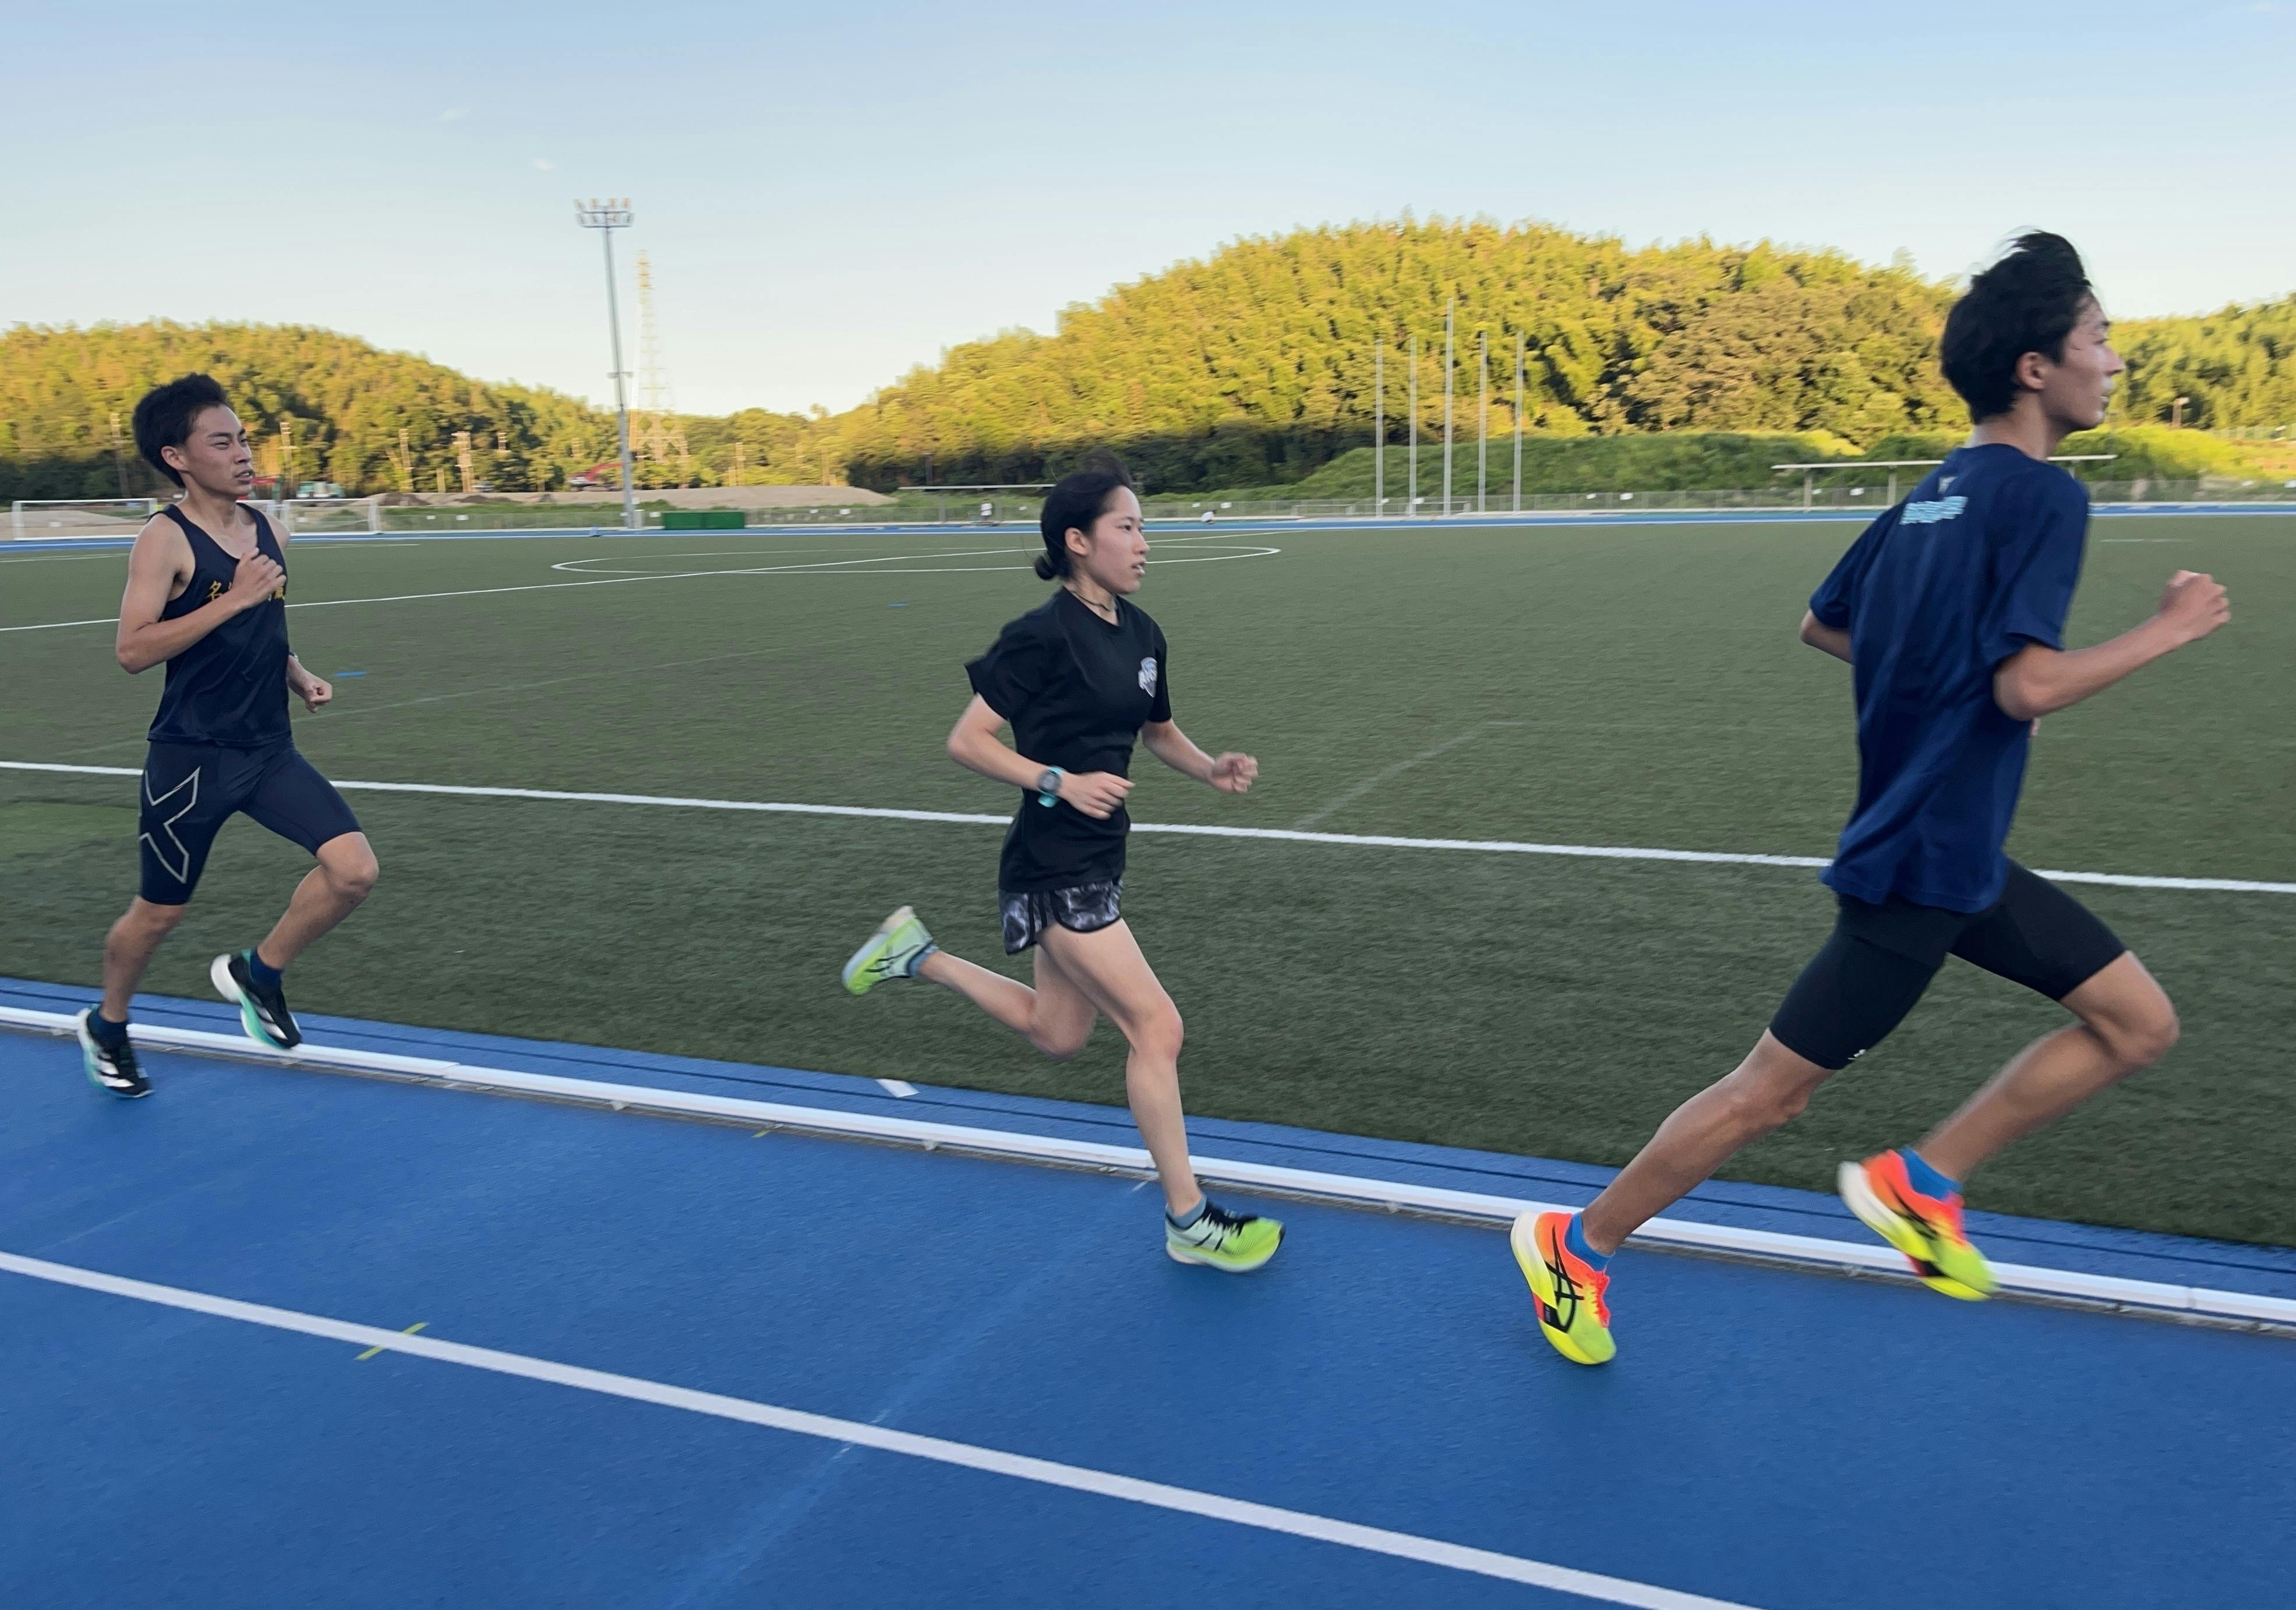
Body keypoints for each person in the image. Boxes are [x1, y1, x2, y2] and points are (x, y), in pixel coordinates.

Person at [1515, 233, 2231, 1365]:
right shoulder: (2042, 496)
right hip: (1919, 869)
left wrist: (1948, 688)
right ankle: (1579, 1241)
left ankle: (1923, 1180)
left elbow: (1823, 622)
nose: (2113, 360)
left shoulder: (1929, 496)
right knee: (1768, 1094)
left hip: (1956, 853)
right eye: (2097, 338)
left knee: (2138, 1022)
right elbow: (2027, 684)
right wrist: (2170, 627)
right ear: (2035, 367)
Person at [840, 456, 1283, 1272]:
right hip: (1053, 861)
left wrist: (1209, 768)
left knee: (1058, 1033)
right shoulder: (1040, 637)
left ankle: (917, 954)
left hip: (1099, 854)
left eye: (1143, 527)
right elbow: (967, 740)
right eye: (1127, 527)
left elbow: (1156, 731)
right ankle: (1189, 1220)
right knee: (1158, 1027)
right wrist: (1058, 781)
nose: (1143, 542)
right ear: (1078, 541)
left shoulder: (1143, 634)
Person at [75, 375, 379, 1099]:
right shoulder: (164, 539)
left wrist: (296, 672)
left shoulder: (270, 529)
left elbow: (262, 627)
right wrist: (235, 596)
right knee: (160, 913)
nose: (243, 454)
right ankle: (108, 1026)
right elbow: (133, 650)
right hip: (191, 762)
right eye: (223, 442)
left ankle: (257, 972)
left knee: (354, 872)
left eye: (243, 439)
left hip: (269, 752)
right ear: (177, 457)